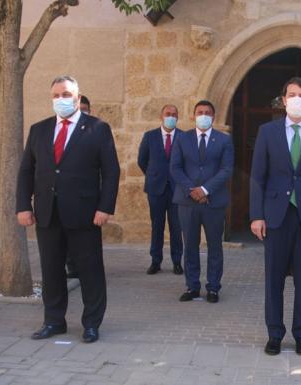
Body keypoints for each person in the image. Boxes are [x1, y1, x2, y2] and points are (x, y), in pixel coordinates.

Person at [16, 76, 120, 343]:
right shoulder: (39, 130)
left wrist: (105, 207)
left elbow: (110, 171)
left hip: (85, 214)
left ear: (76, 96)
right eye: (55, 95)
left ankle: (91, 324)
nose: (60, 99)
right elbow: (27, 171)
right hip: (47, 213)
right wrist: (23, 206)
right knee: (51, 271)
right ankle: (54, 321)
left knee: (90, 270)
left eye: (65, 94)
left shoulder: (97, 128)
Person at [250, 77, 301, 356]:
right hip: (276, 216)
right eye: (292, 94)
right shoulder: (267, 132)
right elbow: (258, 177)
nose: (297, 99)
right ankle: (274, 333)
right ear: (283, 100)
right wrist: (256, 215)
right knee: (273, 279)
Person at [171, 100, 234, 304]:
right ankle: (192, 286)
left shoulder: (224, 140)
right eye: (200, 112)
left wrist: (206, 189)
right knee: (190, 245)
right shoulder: (182, 139)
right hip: (187, 201)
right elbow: (175, 168)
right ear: (193, 115)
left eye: (207, 113)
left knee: (215, 245)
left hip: (213, 202)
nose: (203, 115)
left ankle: (213, 287)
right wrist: (193, 189)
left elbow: (226, 169)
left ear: (213, 117)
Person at [138, 105, 184, 275]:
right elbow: (142, 160)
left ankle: (177, 261)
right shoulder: (150, 136)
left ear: (177, 117)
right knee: (157, 226)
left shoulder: (183, 137)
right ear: (161, 116)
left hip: (176, 189)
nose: (171, 117)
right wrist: (154, 175)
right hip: (156, 188)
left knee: (176, 227)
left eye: (174, 114)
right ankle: (155, 261)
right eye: (168, 114)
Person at [65, 94, 92, 280]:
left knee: (85, 234)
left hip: (88, 194)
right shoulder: (65, 132)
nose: (82, 113)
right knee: (68, 233)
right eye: (79, 109)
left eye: (85, 110)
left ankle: (85, 266)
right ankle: (71, 266)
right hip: (68, 192)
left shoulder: (97, 131)